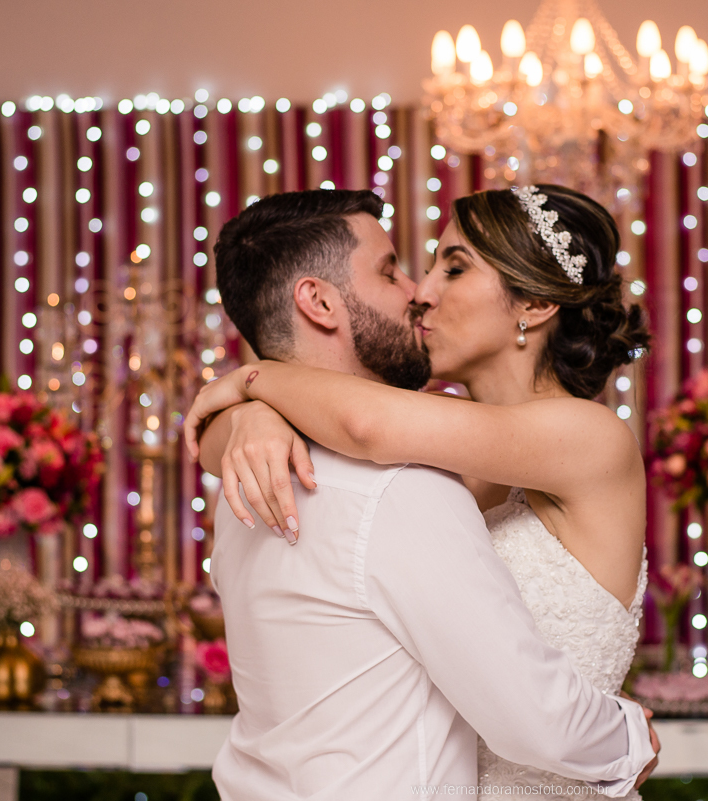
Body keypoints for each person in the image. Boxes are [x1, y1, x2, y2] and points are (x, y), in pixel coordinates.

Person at [188, 183, 655, 800]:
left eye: (453, 268)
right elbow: (344, 434)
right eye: (415, 268)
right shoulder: (434, 445)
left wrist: (258, 380)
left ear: (534, 302)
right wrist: (252, 417)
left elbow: (364, 425)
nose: (421, 294)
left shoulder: (589, 437)